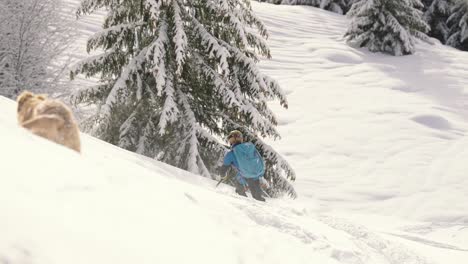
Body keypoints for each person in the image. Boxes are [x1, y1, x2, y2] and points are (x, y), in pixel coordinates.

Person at [219, 130, 266, 202]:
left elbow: (224, 168)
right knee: (257, 195)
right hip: (256, 174)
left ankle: (244, 202)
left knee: (239, 186)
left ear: (231, 141)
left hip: (245, 175)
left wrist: (223, 176)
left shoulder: (231, 153)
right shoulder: (250, 147)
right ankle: (260, 201)